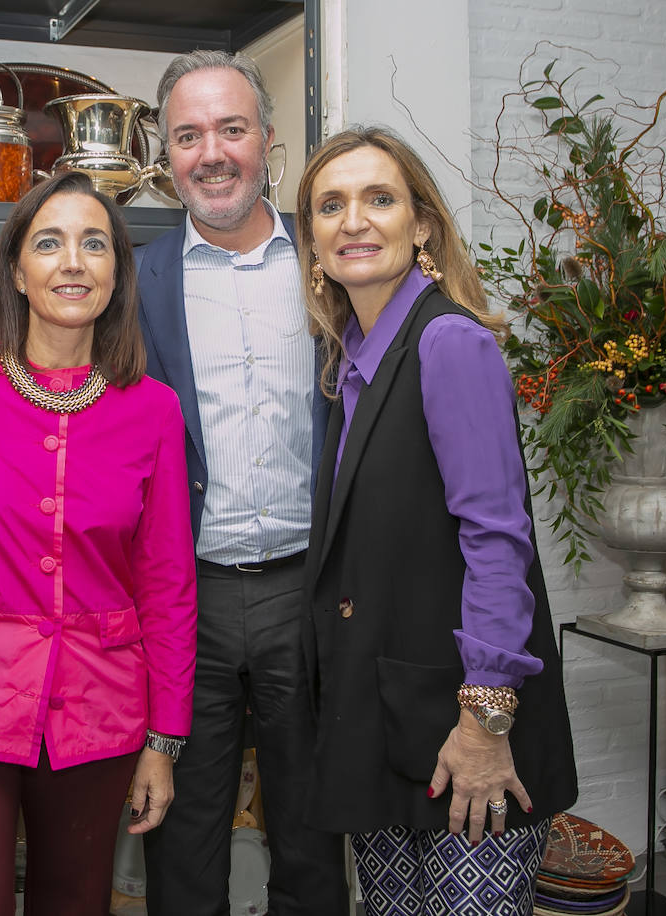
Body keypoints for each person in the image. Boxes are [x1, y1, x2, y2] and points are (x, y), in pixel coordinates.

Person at [0, 170, 197, 916]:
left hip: (97, 709)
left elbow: (167, 583)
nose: (73, 262)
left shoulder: (153, 411)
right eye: (50, 243)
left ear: (116, 275)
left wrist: (166, 739)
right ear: (18, 272)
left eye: (95, 244)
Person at [296, 126, 577, 914]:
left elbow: (498, 545)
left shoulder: (450, 342)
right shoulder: (350, 360)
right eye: (331, 206)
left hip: (464, 730)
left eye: (379, 199)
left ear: (420, 224)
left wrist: (487, 723)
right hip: (384, 725)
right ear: (312, 241)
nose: (354, 220)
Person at [134, 49, 348, 915]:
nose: (211, 153)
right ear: (165, 153)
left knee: (313, 825)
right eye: (188, 136)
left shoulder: (333, 259)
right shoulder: (134, 277)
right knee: (181, 836)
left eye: (231, 129)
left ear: (268, 140)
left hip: (313, 586)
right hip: (190, 598)